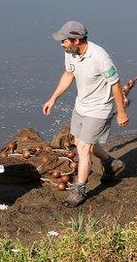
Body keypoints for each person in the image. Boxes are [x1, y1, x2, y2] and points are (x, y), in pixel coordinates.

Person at [42, 20, 129, 207]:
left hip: (99, 108)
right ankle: (110, 163)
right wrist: (53, 99)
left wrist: (121, 112)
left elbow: (115, 83)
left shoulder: (99, 56)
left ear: (75, 40)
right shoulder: (70, 53)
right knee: (79, 141)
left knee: (82, 148)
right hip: (81, 106)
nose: (61, 44)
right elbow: (69, 75)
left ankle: (79, 190)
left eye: (64, 40)